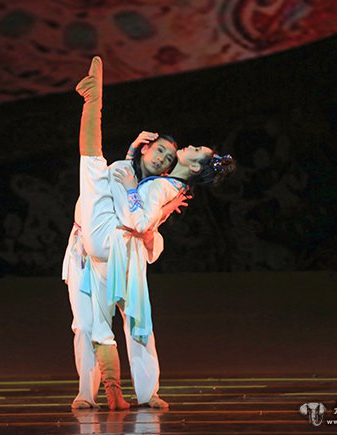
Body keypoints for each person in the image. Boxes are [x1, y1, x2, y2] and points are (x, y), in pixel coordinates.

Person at [63, 56, 235, 411]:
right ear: (145, 147)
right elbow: (125, 179)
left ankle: (147, 392)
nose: (163, 158)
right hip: (88, 249)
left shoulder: (157, 186)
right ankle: (87, 392)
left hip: (123, 250)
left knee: (137, 322)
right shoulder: (135, 174)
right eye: (159, 151)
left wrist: (144, 216)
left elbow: (141, 219)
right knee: (86, 325)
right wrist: (130, 156)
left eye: (169, 156)